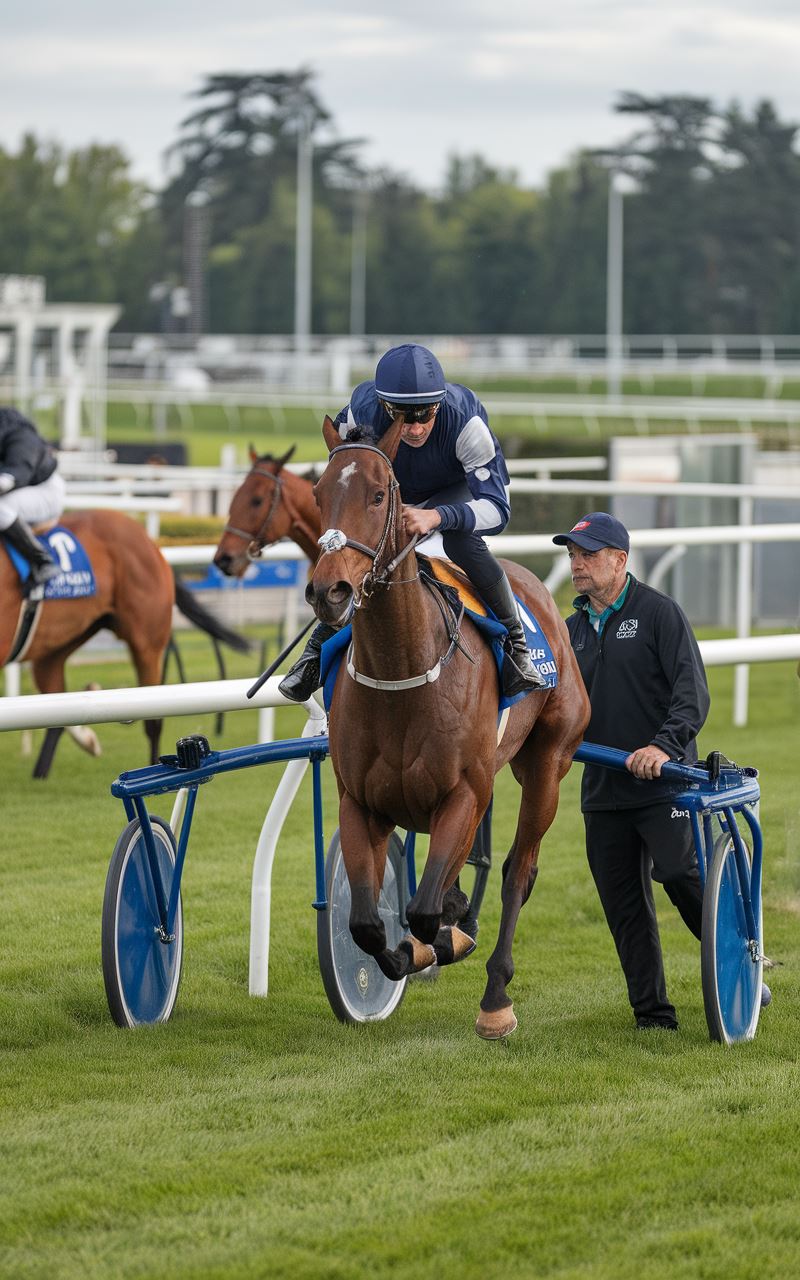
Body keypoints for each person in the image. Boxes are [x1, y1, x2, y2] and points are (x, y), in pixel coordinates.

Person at [279, 343, 546, 702]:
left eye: (426, 413)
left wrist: (438, 516)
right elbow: (346, 475)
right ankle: (314, 653)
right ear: (383, 405)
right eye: (403, 415)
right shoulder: (359, 414)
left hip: (453, 494)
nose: (417, 427)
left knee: (460, 542)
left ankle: (517, 645)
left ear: (440, 403)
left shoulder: (467, 423)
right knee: (361, 554)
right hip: (388, 490)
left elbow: (498, 509)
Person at [553, 511, 722, 1030]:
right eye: (573, 555)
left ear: (619, 560)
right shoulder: (570, 630)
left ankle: (736, 959)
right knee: (624, 904)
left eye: (588, 555)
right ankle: (652, 1016)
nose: (577, 565)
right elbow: (549, 704)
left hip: (664, 785)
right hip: (603, 788)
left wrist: (663, 747)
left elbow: (691, 694)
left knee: (678, 873)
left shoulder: (658, 614)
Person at [0, 406, 64, 590]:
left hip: (44, 491)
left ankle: (42, 561)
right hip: (21, 488)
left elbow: (14, 475)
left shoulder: (22, 437)